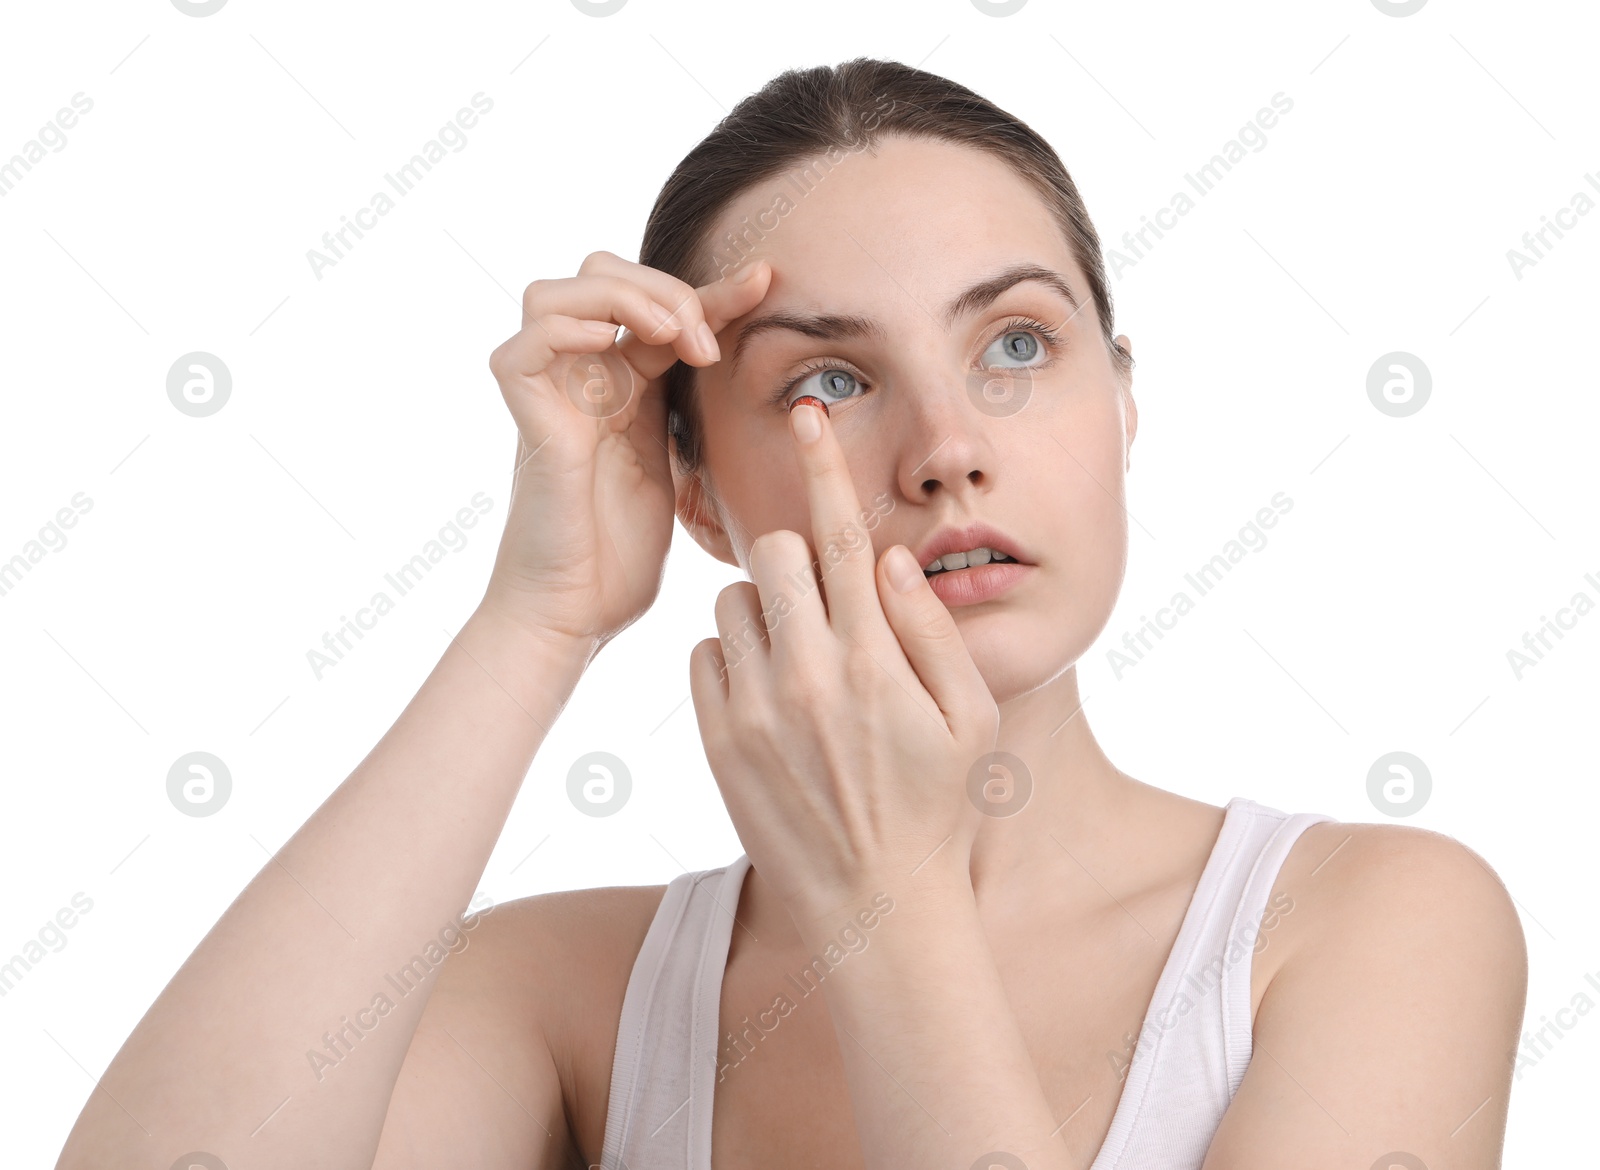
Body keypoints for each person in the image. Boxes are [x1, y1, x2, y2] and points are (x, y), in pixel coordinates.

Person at [58, 58, 1527, 1170]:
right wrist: (538, 617)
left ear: (1122, 397)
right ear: (694, 487)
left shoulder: (1368, 924)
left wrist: (885, 903)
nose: (948, 446)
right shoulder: (574, 990)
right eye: (826, 378)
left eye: (1016, 341)